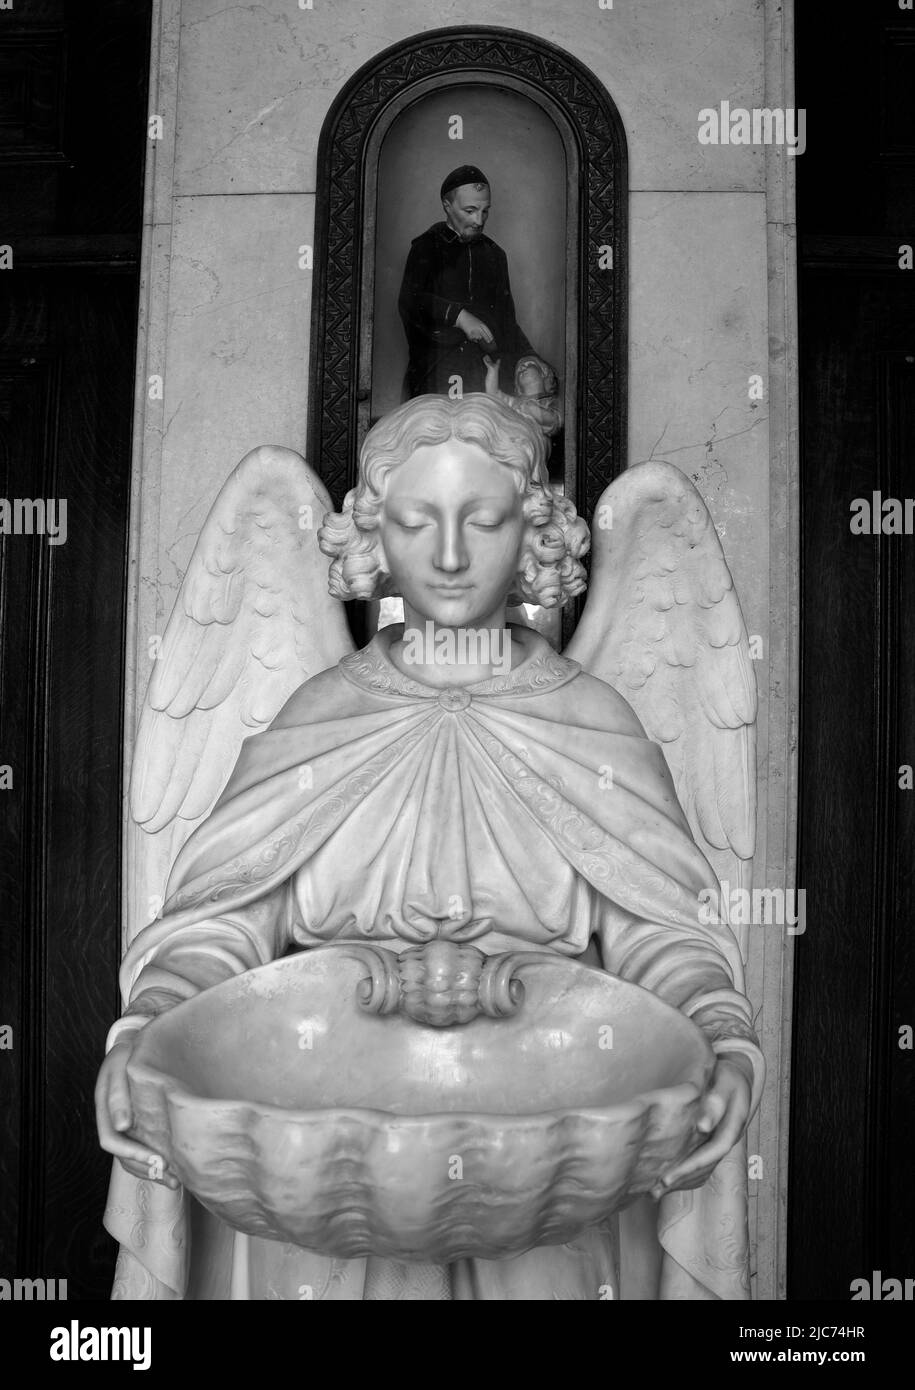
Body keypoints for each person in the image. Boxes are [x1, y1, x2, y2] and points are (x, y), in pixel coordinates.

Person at [96, 394, 763, 1300]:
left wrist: (722, 1040)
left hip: (549, 1152)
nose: (449, 555)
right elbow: (221, 929)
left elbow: (665, 935)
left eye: (483, 520)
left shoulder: (589, 720)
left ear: (534, 533)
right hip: (325, 1151)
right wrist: (148, 1025)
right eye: (415, 521)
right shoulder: (321, 716)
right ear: (375, 535)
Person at [397, 166, 536, 398]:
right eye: (470, 210)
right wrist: (459, 317)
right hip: (436, 373)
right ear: (447, 206)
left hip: (485, 374)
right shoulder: (427, 247)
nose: (478, 220)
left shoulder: (495, 255)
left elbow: (506, 321)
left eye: (485, 211)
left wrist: (529, 358)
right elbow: (411, 301)